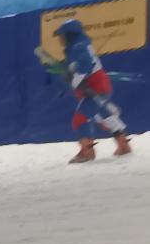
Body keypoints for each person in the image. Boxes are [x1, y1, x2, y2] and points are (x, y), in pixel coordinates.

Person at [54, 18, 132, 163]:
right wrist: (70, 75)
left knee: (80, 119)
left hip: (96, 87)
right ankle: (123, 146)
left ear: (70, 34)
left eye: (62, 36)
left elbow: (84, 67)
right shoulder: (79, 45)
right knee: (106, 117)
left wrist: (74, 80)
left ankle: (87, 152)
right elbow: (78, 68)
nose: (61, 39)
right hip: (100, 86)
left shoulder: (78, 47)